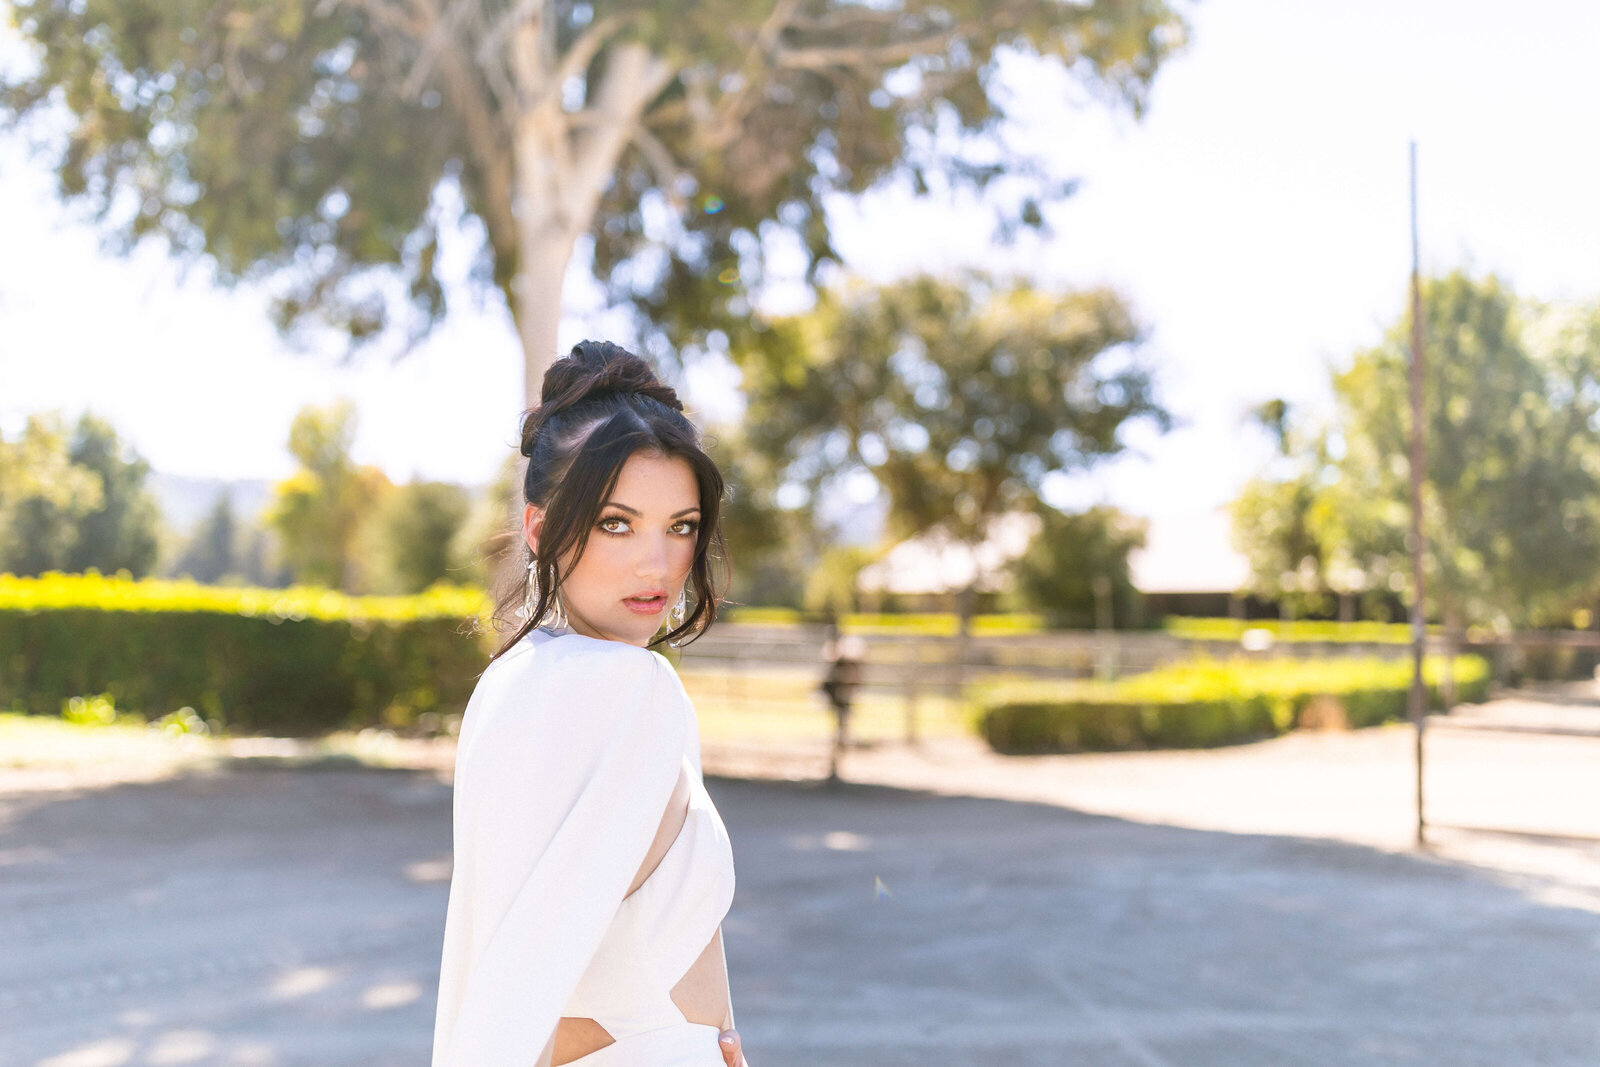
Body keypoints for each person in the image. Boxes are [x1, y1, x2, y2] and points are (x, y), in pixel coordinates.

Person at [431, 341, 752, 1067]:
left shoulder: (514, 683)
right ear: (540, 528)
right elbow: (518, 976)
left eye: (681, 525)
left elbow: (509, 965)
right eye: (617, 522)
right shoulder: (628, 690)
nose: (658, 563)